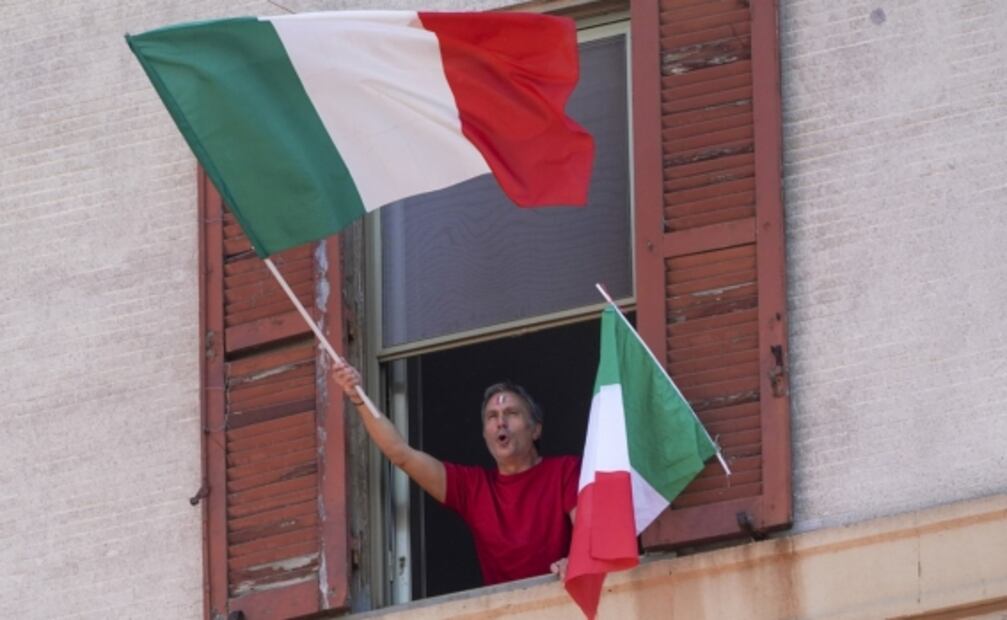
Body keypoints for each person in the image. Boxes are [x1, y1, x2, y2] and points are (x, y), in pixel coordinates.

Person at [332, 360, 580, 585]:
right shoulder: (473, 488)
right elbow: (401, 454)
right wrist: (358, 398)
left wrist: (576, 559)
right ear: (485, 434)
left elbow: (587, 531)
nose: (500, 422)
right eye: (492, 417)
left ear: (536, 429)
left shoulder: (566, 470)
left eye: (511, 413)